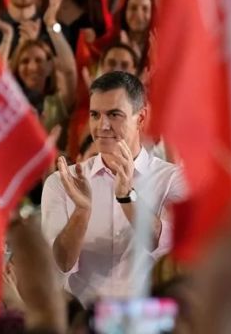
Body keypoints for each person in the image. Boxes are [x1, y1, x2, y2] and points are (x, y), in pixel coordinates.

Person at [41, 71, 186, 306]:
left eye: (114, 114)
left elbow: (163, 244)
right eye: (95, 115)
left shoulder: (173, 179)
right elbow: (60, 264)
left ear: (140, 118)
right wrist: (81, 212)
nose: (102, 125)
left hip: (146, 321)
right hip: (83, 320)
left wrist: (127, 196)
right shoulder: (62, 182)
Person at [10, 0, 78, 137]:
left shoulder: (56, 104)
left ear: (50, 66)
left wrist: (51, 25)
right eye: (25, 61)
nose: (32, 67)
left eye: (39, 60)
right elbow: (1, 74)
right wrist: (20, 43)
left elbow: (69, 70)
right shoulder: (11, 102)